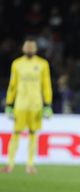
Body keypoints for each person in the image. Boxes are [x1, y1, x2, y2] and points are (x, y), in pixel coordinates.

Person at [2, 39, 53, 174]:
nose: (29, 49)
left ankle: (30, 165)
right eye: (27, 46)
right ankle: (10, 164)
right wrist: (9, 103)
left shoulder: (42, 64)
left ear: (35, 49)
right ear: (23, 48)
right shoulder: (17, 64)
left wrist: (47, 104)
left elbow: (46, 85)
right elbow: (12, 85)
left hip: (36, 105)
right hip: (20, 104)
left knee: (33, 134)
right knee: (16, 133)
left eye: (32, 46)